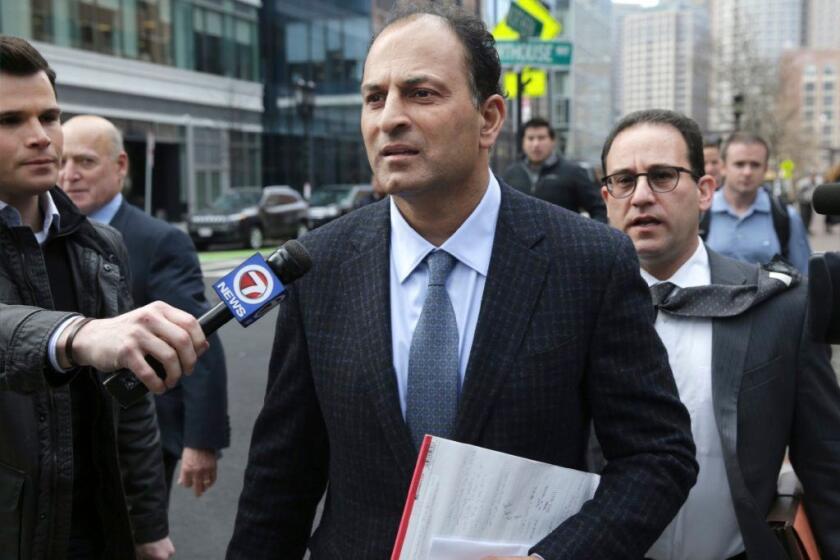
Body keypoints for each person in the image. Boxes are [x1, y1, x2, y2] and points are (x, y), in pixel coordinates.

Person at [227, 6, 697, 559]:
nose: (389, 118)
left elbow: (657, 456)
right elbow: (280, 480)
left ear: (490, 118)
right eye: (375, 98)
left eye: (421, 93)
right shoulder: (319, 265)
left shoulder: (588, 262)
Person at [0, 36, 208, 559]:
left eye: (49, 117)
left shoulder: (100, 243)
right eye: (10, 122)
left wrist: (147, 527)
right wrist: (77, 334)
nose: (42, 137)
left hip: (98, 529)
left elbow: (130, 404)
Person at [600, 108, 840, 559]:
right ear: (606, 196)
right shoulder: (577, 305)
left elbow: (827, 464)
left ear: (705, 190)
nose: (642, 197)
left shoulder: (779, 307)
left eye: (663, 176)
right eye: (624, 181)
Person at [59, 115, 230, 501]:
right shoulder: (43, 235)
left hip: (137, 441)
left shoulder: (160, 241)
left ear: (120, 166)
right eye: (62, 162)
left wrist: (200, 440)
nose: (69, 175)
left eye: (85, 162)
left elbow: (198, 336)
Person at [703, 131, 811, 273]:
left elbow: (805, 276)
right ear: (723, 167)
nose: (747, 172)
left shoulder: (785, 217)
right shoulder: (700, 214)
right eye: (739, 164)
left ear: (765, 169)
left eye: (755, 165)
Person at [502, 117, 607, 222]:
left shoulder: (573, 172)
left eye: (541, 138)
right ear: (523, 142)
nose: (536, 144)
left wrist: (589, 235)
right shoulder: (511, 174)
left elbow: (599, 208)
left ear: (553, 141)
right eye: (530, 138)